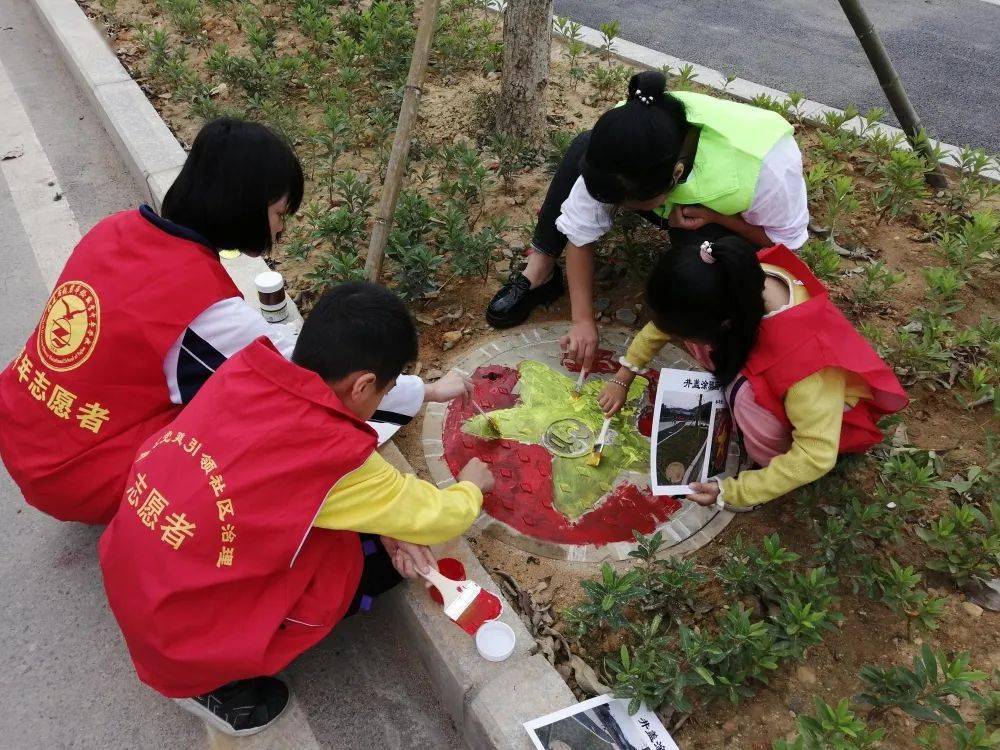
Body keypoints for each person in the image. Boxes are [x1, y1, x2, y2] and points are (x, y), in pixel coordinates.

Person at [0, 118, 451, 524]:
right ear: (242, 206)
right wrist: (423, 391)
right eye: (278, 214)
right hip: (72, 475)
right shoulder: (204, 310)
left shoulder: (116, 230)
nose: (281, 230)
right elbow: (310, 384)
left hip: (24, 428)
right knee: (262, 438)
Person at [99, 282, 495, 736]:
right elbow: (441, 517)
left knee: (367, 539)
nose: (382, 402)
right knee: (371, 569)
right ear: (363, 384)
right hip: (176, 634)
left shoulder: (247, 369)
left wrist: (385, 519)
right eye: (384, 393)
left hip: (134, 565)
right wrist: (471, 487)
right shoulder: (330, 451)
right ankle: (213, 687)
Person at [485, 70, 809, 373]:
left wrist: (715, 216)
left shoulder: (768, 165)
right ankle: (540, 271)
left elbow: (782, 246)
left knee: (702, 268)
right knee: (583, 146)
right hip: (669, 194)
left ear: (675, 178)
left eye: (628, 204)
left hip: (723, 220)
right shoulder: (622, 137)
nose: (617, 209)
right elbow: (580, 232)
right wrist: (582, 320)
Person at [598, 237, 907, 509]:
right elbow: (667, 322)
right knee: (739, 383)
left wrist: (733, 491)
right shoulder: (730, 279)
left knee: (747, 398)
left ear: (724, 325)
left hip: (821, 423)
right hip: (757, 363)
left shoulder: (809, 365)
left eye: (689, 335)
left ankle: (762, 454)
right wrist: (624, 375)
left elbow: (815, 454)